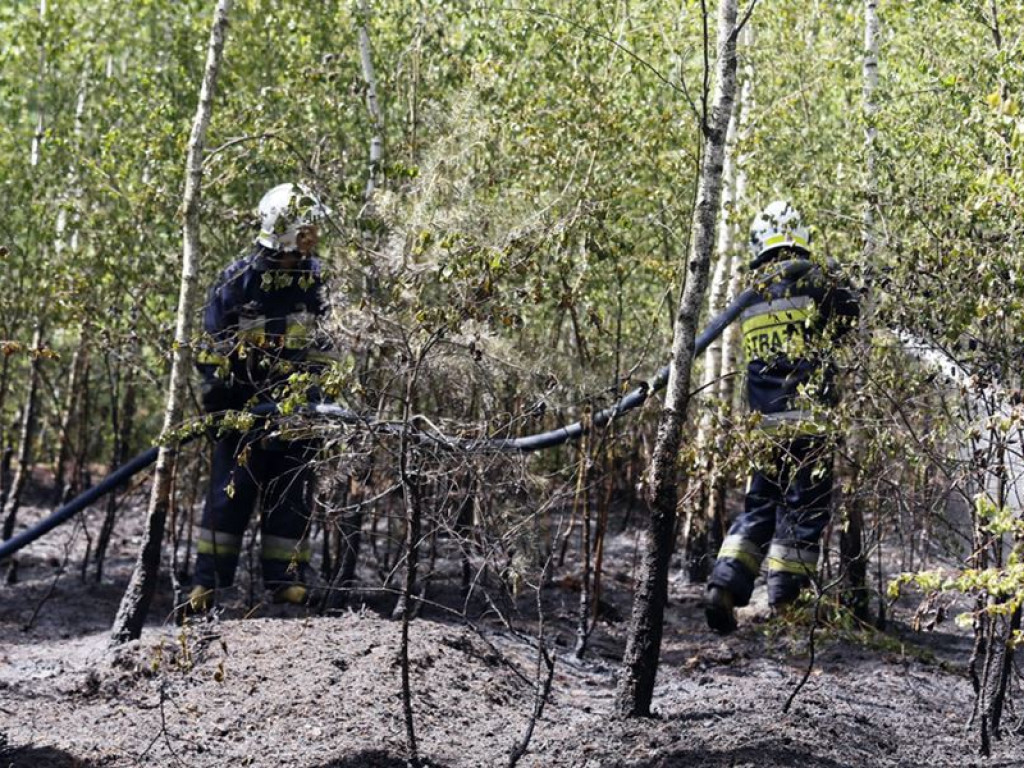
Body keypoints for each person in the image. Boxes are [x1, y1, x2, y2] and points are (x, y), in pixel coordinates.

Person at [704, 200, 860, 634]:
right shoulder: (816, 282)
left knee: (759, 507)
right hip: (809, 421)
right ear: (800, 236)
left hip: (764, 426)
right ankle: (784, 605)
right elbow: (851, 315)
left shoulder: (753, 296)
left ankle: (725, 584)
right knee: (804, 511)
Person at [188, 183, 335, 613]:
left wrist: (316, 400)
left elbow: (330, 348)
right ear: (285, 231)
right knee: (227, 500)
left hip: (298, 415)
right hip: (241, 415)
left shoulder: (318, 283)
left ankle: (286, 582)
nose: (312, 238)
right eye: (305, 230)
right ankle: (207, 584)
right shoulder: (237, 283)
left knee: (292, 498)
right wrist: (225, 404)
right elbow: (209, 349)